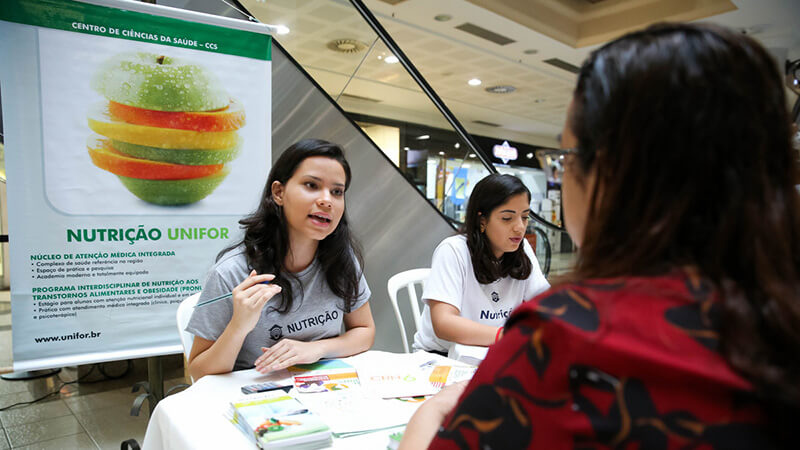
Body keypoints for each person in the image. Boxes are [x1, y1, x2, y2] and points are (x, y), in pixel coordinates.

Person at [401, 23, 800, 449]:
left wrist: (432, 411)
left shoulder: (564, 339)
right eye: (508, 217)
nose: (520, 227)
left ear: (613, 173)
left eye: (566, 157)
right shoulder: (776, 315)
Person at [186, 139, 375, 380]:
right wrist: (239, 326)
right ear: (279, 192)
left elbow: (364, 330)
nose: (327, 200)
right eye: (311, 185)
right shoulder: (231, 272)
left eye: (337, 191)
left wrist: (316, 349)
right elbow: (198, 370)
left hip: (323, 389)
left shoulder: (341, 258)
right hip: (254, 397)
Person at [412, 173, 550, 355]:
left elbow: (547, 304)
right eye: (507, 218)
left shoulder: (521, 248)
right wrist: (506, 335)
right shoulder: (454, 250)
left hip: (493, 351)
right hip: (443, 357)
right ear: (482, 221)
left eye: (524, 217)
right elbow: (444, 324)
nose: (519, 227)